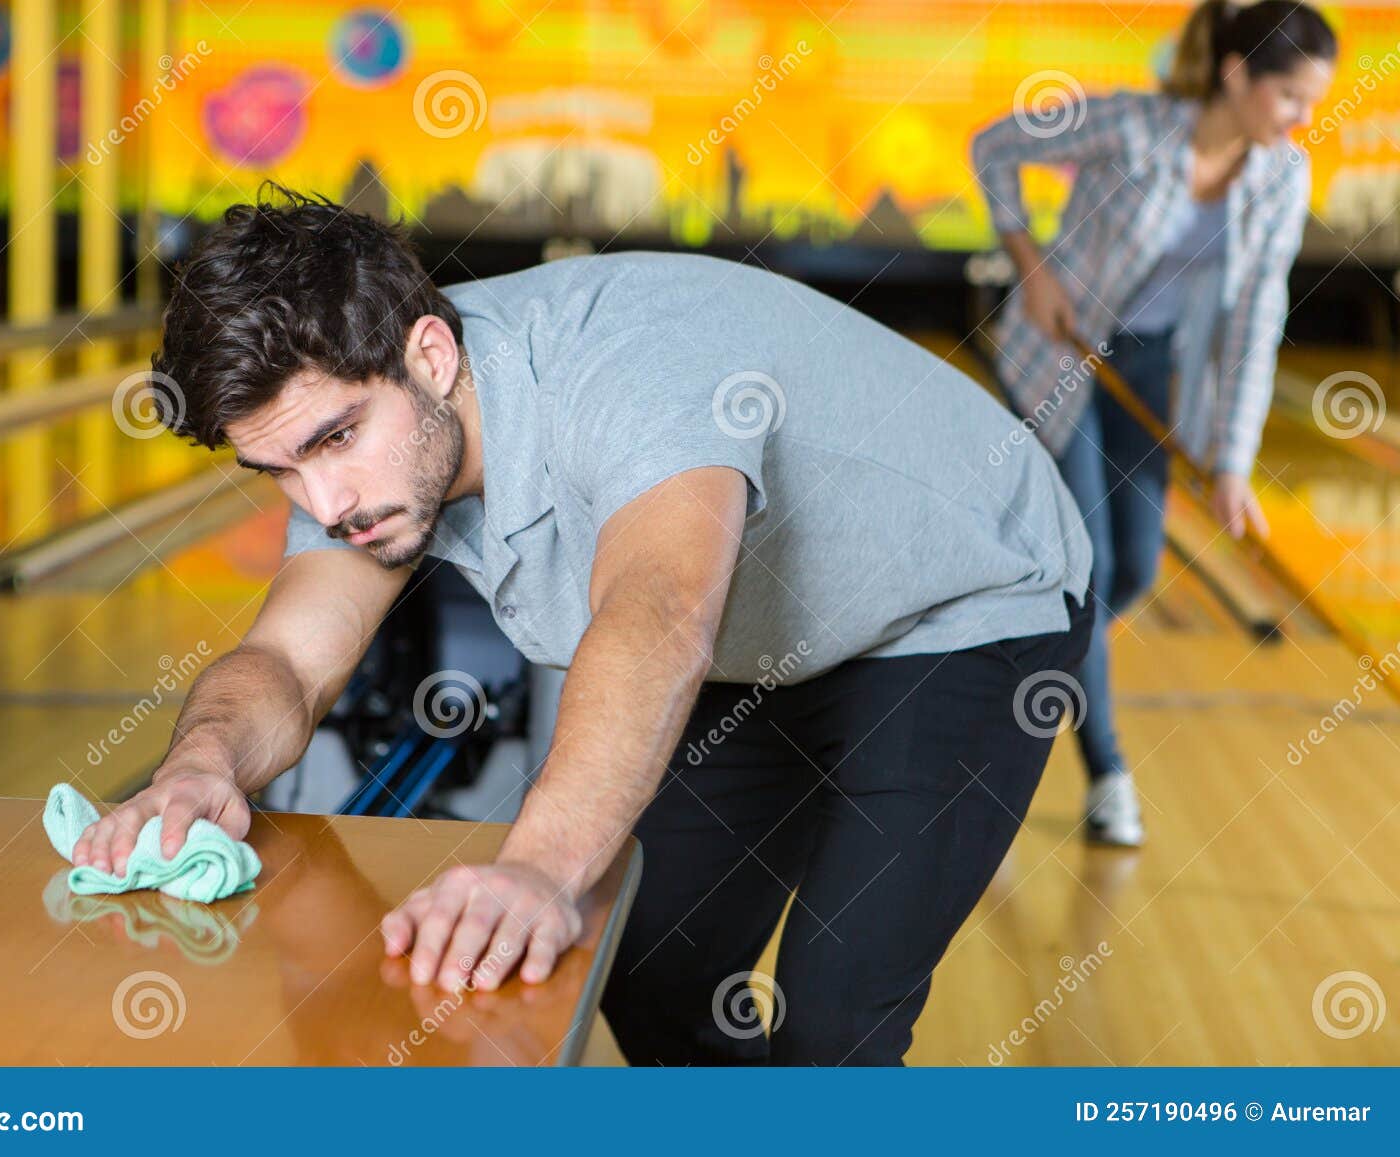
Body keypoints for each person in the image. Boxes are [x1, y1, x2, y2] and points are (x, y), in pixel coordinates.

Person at [72, 188, 1094, 1064]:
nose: (324, 498)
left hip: (958, 608)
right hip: (761, 640)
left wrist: (537, 867)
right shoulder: (360, 438)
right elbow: (288, 660)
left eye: (335, 439)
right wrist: (199, 767)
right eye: (282, 468)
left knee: (832, 1022)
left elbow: (657, 609)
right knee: (652, 966)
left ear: (428, 354)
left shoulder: (625, 366)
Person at [970, 0, 1336, 847]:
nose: (1305, 118)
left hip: (1145, 367)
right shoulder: (1133, 128)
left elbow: (1254, 316)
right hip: (1058, 359)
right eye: (1291, 96)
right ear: (1239, 76)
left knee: (1130, 568)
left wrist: (1234, 461)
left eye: (1313, 101)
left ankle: (1008, 674)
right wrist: (1030, 264)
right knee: (1090, 575)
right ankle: (1108, 775)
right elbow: (994, 145)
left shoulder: (1282, 174)